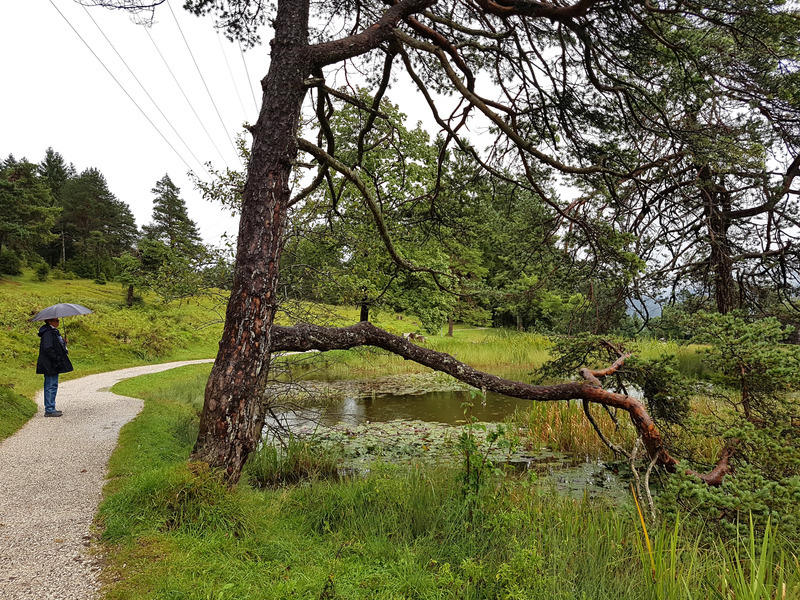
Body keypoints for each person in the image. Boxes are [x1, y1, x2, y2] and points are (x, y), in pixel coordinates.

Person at [35, 317, 73, 417]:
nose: (58, 322)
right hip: (49, 364)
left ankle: (51, 407)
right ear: (50, 321)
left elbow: (54, 345)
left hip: (52, 363)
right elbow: (48, 348)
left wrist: (63, 343)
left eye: (58, 320)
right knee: (50, 385)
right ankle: (49, 409)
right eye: (56, 320)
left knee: (53, 384)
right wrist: (56, 358)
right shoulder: (48, 333)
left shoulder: (53, 331)